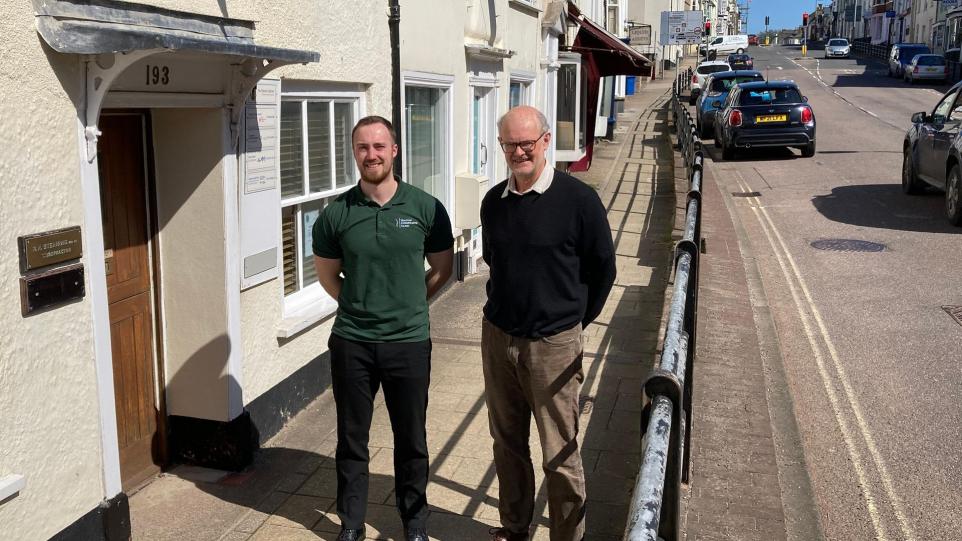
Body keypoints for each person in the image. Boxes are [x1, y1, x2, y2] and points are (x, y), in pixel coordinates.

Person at [312, 115, 454, 541]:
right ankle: (351, 523)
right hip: (352, 343)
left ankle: (414, 524)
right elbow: (327, 277)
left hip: (408, 343)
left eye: (379, 146)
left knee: (411, 438)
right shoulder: (336, 213)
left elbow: (442, 269)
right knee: (351, 438)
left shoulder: (425, 208)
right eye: (362, 147)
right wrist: (361, 307)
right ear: (354, 153)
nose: (371, 154)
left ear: (394, 151)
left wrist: (408, 305)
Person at [480, 106, 617, 541]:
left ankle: (567, 536)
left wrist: (572, 322)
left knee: (560, 452)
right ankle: (514, 528)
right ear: (501, 147)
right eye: (510, 144)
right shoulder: (493, 202)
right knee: (507, 444)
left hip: (553, 344)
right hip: (498, 337)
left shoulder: (579, 201)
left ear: (544, 142)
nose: (519, 151)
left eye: (527, 143)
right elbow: (495, 261)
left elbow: (603, 270)